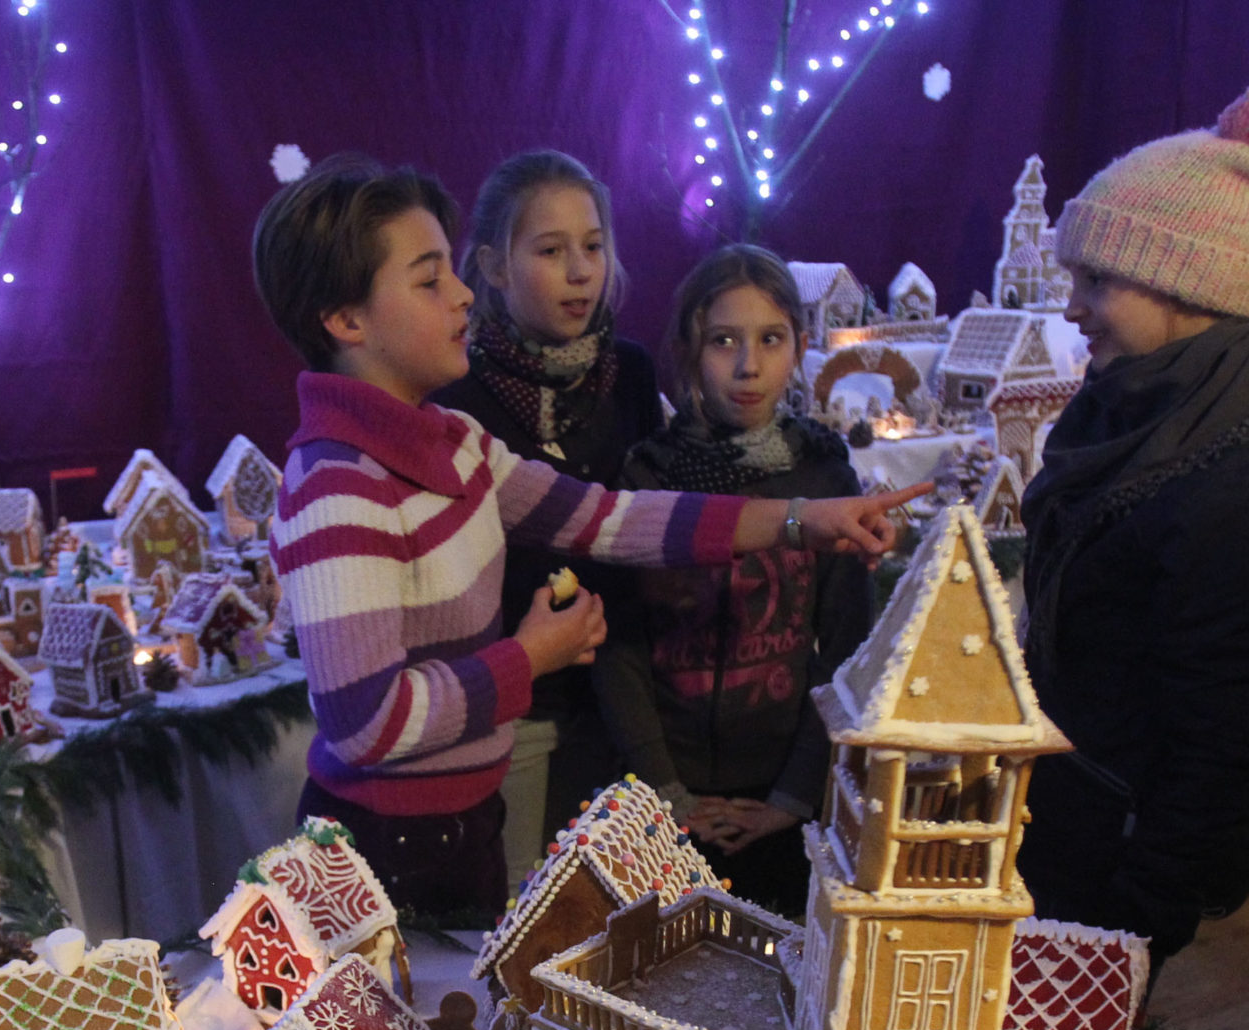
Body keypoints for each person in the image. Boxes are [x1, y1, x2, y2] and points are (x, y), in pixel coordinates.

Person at [249, 154, 911, 915]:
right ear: (346, 319)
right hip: (387, 847)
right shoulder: (340, 485)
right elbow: (367, 723)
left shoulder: (452, 440)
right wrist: (528, 658)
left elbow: (607, 517)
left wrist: (800, 519)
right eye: (430, 280)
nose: (462, 292)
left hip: (458, 824)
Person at [1017, 72, 1249, 962]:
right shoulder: (1126, 408)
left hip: (1115, 866)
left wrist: (1131, 932)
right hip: (1066, 814)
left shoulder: (1246, 493)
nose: (1072, 306)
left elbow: (1218, 747)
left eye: (1097, 278)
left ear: (1185, 281)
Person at [606, 245, 889, 913]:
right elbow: (620, 649)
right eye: (723, 340)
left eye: (770, 338)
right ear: (688, 349)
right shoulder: (648, 476)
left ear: (800, 344)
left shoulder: (823, 478)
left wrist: (793, 796)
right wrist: (665, 791)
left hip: (782, 797)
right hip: (660, 800)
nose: (748, 365)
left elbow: (849, 648)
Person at [430, 151, 663, 856]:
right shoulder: (457, 392)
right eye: (551, 250)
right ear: (495, 268)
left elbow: (649, 519)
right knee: (522, 913)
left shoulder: (631, 376)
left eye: (593, 246)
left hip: (626, 695)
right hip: (519, 703)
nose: (580, 270)